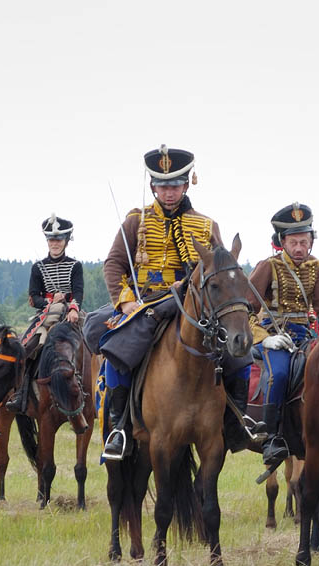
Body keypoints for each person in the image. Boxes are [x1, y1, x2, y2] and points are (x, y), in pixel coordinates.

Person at [97, 144, 254, 459]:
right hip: (145, 305)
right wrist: (126, 301)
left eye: (176, 186)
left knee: (241, 359)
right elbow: (113, 265)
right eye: (163, 186)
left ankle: (237, 423)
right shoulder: (135, 222)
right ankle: (119, 426)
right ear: (154, 186)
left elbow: (223, 270)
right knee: (118, 351)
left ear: (186, 184)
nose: (169, 192)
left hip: (194, 306)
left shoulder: (207, 226)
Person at [248, 203, 319, 465]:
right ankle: (272, 438)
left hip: (305, 336)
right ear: (282, 242)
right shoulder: (268, 266)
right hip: (275, 337)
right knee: (281, 373)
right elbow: (245, 309)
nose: (299, 248)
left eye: (304, 242)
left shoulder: (315, 268)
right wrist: (264, 337)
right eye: (294, 242)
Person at [5, 214, 84, 413]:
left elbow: (78, 291)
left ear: (66, 241)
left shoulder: (75, 266)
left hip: (70, 313)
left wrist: (73, 307)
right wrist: (49, 301)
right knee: (27, 347)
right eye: (51, 239)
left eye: (58, 239)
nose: (54, 243)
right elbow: (34, 296)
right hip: (46, 315)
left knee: (90, 345)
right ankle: (21, 393)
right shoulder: (38, 267)